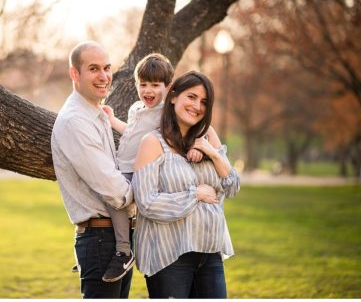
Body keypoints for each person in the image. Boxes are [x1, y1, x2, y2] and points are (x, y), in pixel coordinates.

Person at [97, 53, 222, 282]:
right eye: (143, 84)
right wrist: (113, 121)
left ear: (169, 87)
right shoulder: (137, 108)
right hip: (122, 166)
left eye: (155, 85)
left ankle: (124, 250)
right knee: (108, 199)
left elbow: (187, 134)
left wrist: (197, 150)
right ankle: (109, 251)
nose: (148, 91)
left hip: (140, 170)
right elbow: (132, 133)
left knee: (114, 200)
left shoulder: (165, 112)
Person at [132, 71, 240, 298]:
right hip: (170, 257)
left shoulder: (208, 135)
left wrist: (213, 153)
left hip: (210, 255)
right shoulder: (153, 142)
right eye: (191, 97)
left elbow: (232, 187)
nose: (197, 106)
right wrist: (195, 194)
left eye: (204, 102)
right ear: (173, 97)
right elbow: (147, 203)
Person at [50, 41, 136, 298]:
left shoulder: (95, 115)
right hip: (101, 240)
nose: (104, 76)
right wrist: (150, 198)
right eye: (94, 69)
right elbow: (114, 190)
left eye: (107, 68)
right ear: (75, 74)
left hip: (113, 238)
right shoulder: (75, 121)